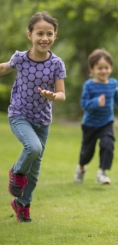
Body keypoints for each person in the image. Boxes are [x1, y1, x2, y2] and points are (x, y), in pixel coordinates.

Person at [0, 12, 66, 223]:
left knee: (35, 172)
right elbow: (4, 67)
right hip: (20, 114)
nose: (44, 38)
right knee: (33, 148)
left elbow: (62, 94)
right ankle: (17, 172)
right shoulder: (20, 57)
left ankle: (22, 204)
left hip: (42, 120)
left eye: (49, 33)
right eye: (40, 33)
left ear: (55, 35)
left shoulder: (56, 64)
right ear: (30, 35)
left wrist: (53, 96)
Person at [73, 49, 118, 185]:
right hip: (90, 124)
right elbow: (84, 104)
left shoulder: (113, 84)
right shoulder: (89, 85)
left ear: (111, 68)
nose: (103, 71)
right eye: (99, 68)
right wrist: (96, 102)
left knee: (108, 144)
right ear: (92, 69)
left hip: (106, 122)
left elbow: (116, 97)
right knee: (87, 152)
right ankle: (81, 168)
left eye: (106, 67)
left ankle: (102, 173)